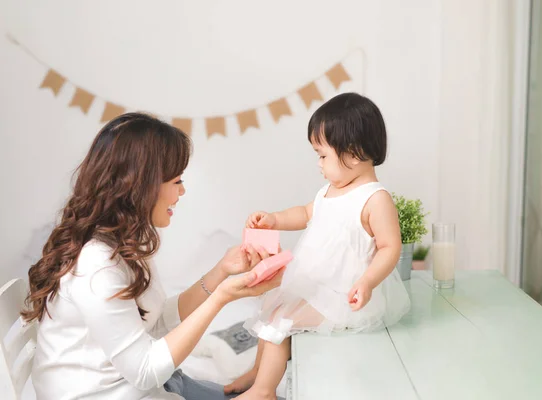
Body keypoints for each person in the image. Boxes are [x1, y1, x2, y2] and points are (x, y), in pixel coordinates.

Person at [22, 113, 283, 400]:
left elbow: (155, 324)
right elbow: (145, 370)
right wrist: (223, 296)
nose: (182, 192)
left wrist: (221, 271)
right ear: (142, 186)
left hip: (149, 386)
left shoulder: (120, 243)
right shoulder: (97, 265)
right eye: (176, 181)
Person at [225, 93, 411, 399]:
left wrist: (366, 282)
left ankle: (264, 390)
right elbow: (304, 213)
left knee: (280, 320)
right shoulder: (329, 191)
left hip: (344, 298)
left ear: (352, 153)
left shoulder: (374, 199)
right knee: (273, 305)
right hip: (318, 288)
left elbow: (390, 247)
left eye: (322, 155)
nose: (318, 164)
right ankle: (257, 372)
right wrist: (274, 219)